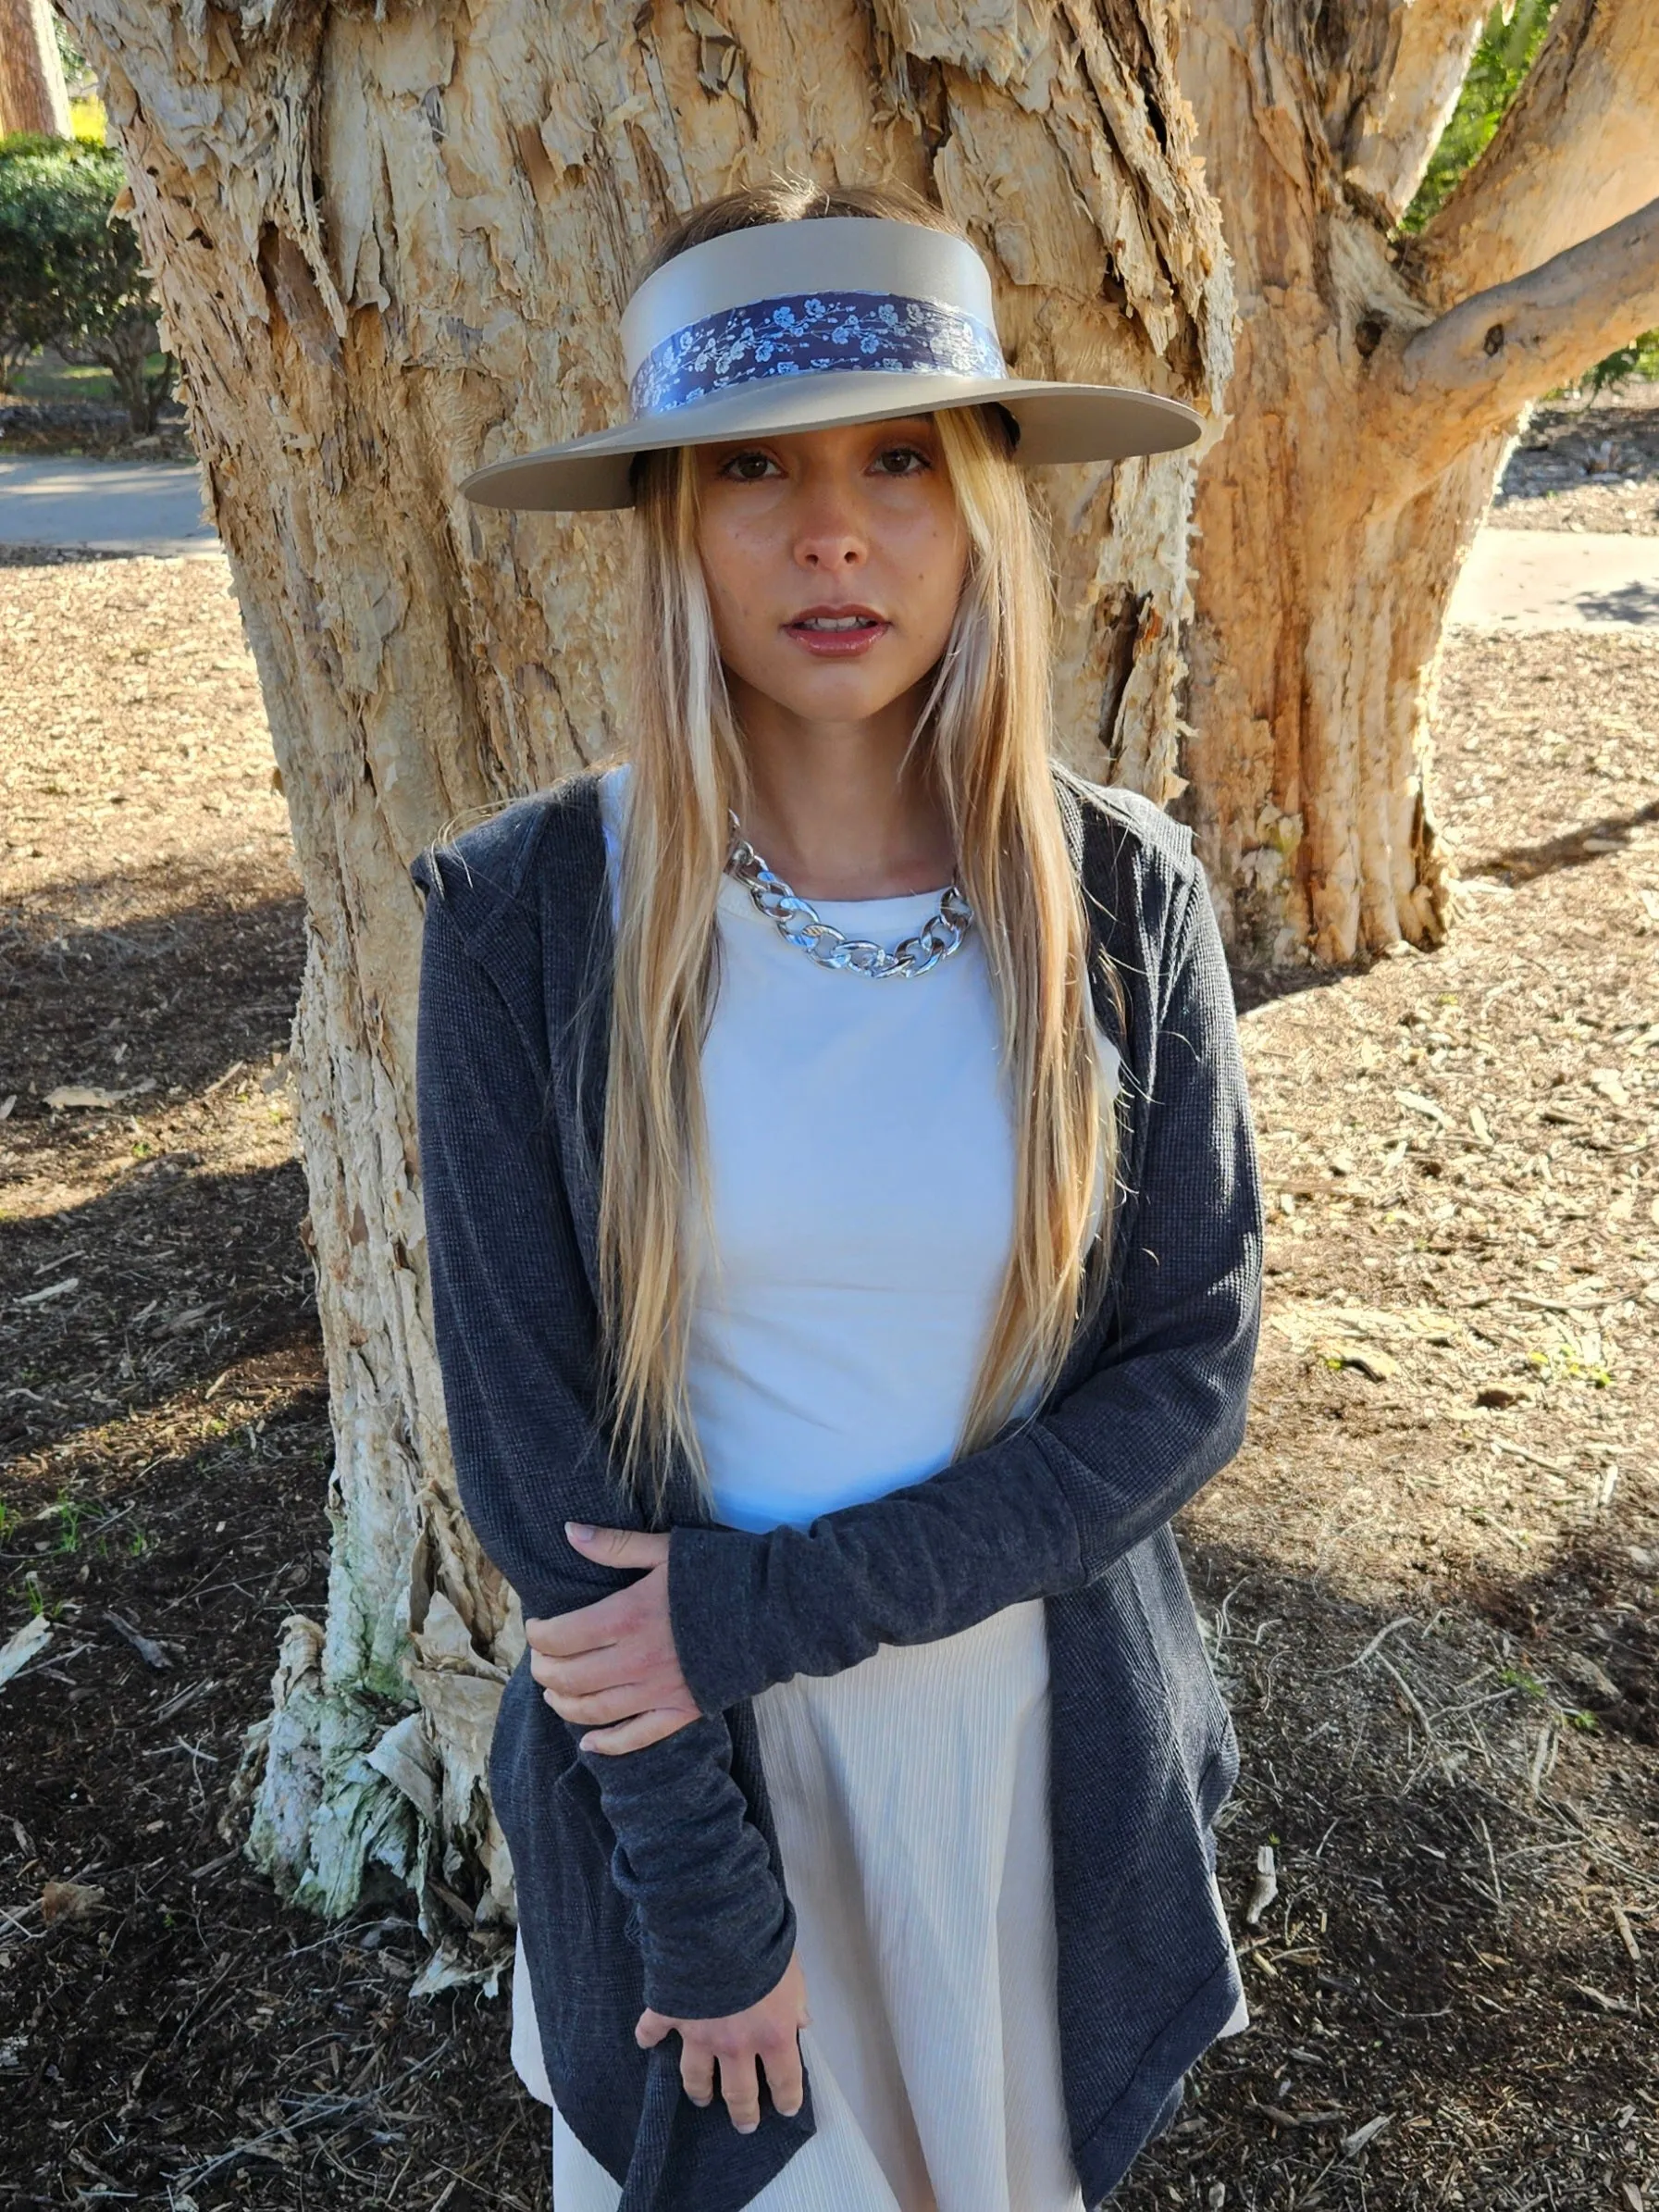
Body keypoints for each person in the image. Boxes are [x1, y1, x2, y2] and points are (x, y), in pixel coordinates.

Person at [409, 179, 1262, 2212]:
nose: (832, 533)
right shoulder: (529, 918)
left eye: (900, 456)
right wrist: (705, 1909)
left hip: (1017, 1781)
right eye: (752, 473)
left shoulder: (1118, 897)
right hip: (696, 1794)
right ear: (667, 528)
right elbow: (544, 1482)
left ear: (982, 500)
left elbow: (1181, 1379)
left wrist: (767, 1607)